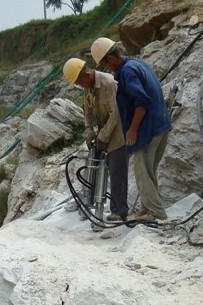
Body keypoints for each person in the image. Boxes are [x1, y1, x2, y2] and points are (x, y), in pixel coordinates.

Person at [91, 37, 172, 221]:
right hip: (160, 125)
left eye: (105, 64)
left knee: (142, 172)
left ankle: (156, 212)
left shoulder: (127, 72)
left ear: (110, 59)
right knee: (149, 172)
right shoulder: (136, 63)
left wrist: (133, 129)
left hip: (148, 129)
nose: (107, 69)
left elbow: (141, 101)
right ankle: (146, 207)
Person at [62, 57, 129, 221]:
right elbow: (88, 111)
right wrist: (89, 130)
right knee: (96, 166)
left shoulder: (108, 83)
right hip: (102, 132)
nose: (79, 85)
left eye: (79, 81)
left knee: (116, 171)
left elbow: (116, 114)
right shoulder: (89, 87)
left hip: (118, 133)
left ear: (86, 74)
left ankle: (119, 211)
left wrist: (103, 137)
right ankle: (90, 202)